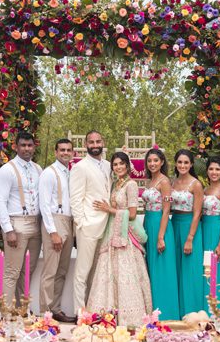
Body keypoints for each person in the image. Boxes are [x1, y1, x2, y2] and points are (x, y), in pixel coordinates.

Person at [87, 152, 153, 326]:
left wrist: (109, 210)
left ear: (127, 166)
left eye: (121, 164)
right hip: (112, 231)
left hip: (126, 236)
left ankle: (130, 317)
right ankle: (107, 313)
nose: (118, 167)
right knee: (108, 271)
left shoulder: (130, 185)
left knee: (126, 274)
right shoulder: (116, 184)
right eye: (115, 165)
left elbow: (131, 215)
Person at [0, 131, 43, 304]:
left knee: (28, 271)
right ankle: (6, 313)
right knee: (11, 271)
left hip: (35, 223)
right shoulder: (7, 170)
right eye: (23, 145)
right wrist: (8, 230)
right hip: (16, 223)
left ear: (34, 147)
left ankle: (22, 310)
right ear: (16, 147)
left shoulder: (38, 169)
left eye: (29, 145)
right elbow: (0, 201)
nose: (26, 149)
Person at [69, 130, 111, 313]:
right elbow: (75, 198)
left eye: (98, 141)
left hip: (107, 225)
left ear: (103, 142)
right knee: (82, 273)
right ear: (86, 145)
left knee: (99, 272)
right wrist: (81, 223)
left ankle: (95, 311)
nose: (95, 145)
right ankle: (81, 314)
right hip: (88, 226)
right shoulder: (80, 167)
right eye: (91, 142)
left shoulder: (109, 165)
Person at [38, 138, 76, 322]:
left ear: (73, 153)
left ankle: (56, 308)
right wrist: (53, 232)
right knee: (50, 270)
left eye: (69, 150)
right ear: (55, 152)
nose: (65, 153)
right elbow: (44, 205)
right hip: (54, 221)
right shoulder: (49, 173)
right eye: (62, 150)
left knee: (62, 270)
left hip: (68, 221)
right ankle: (44, 313)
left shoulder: (70, 172)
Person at [142, 149, 180, 320]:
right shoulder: (150, 181)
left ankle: (167, 313)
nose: (152, 164)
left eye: (156, 160)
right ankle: (153, 311)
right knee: (151, 268)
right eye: (149, 161)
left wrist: (160, 236)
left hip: (160, 225)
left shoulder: (165, 182)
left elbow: (166, 210)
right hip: (148, 223)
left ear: (162, 162)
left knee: (162, 269)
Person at [171, 149, 204, 316]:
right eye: (180, 162)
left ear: (191, 164)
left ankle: (192, 312)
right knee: (176, 268)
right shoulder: (173, 183)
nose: (182, 165)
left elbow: (198, 213)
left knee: (190, 270)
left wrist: (190, 238)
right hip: (174, 224)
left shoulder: (196, 184)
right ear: (176, 164)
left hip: (190, 226)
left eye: (186, 162)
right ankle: (177, 312)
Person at [202, 156, 220, 304]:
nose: (214, 172)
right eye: (211, 169)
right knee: (206, 268)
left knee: (217, 269)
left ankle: (219, 304)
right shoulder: (205, 189)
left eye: (217, 169)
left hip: (217, 230)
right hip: (204, 229)